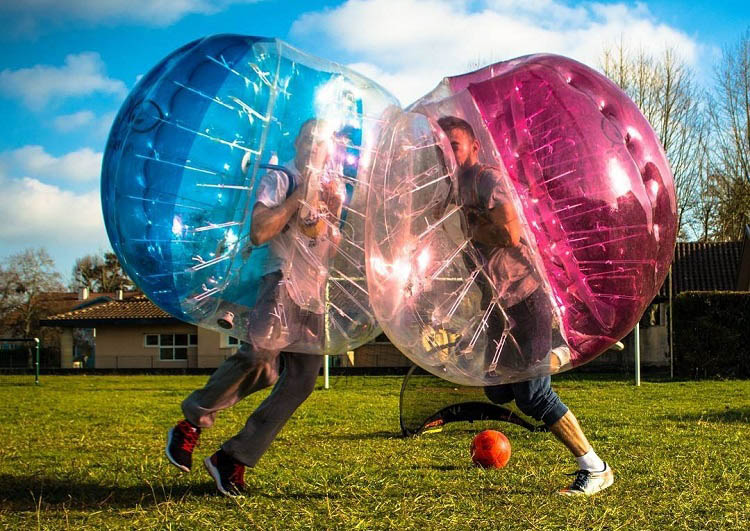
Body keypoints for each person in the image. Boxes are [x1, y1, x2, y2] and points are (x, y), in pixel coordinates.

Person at [165, 118, 345, 496]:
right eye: (309, 139)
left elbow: (329, 250)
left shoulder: (334, 187)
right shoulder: (283, 179)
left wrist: (333, 213)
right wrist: (300, 197)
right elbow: (260, 232)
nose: (315, 147)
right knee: (261, 362)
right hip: (280, 282)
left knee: (301, 381)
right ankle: (191, 423)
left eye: (322, 142)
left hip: (313, 295)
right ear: (297, 142)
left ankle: (232, 458)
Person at [437, 116, 614, 496]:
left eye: (454, 145)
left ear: (473, 148)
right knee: (497, 389)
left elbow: (508, 232)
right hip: (497, 306)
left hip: (527, 296)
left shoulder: (487, 179)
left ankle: (595, 468)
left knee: (533, 396)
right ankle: (560, 353)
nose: (447, 153)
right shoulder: (453, 189)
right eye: (442, 147)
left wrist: (463, 224)